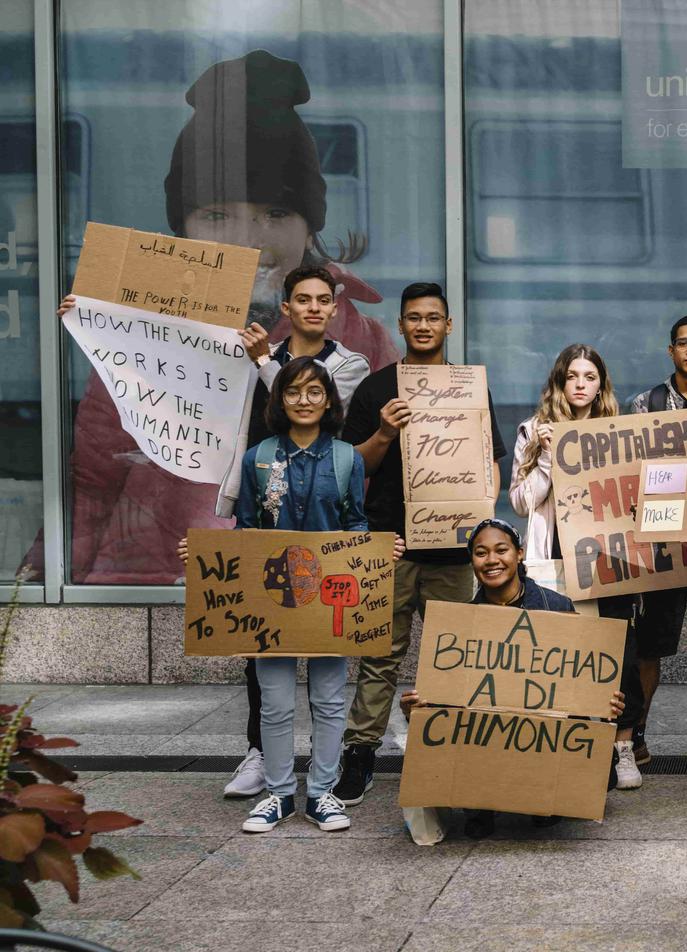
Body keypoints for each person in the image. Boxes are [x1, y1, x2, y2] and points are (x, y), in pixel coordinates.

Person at [38, 48, 397, 586]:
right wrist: (44, 574)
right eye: (216, 215)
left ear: (309, 226)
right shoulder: (142, 333)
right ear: (183, 227)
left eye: (276, 213)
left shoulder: (363, 341)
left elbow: (384, 475)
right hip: (154, 576)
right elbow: (93, 476)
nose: (247, 240)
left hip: (306, 582)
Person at [177, 357, 400, 833]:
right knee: (275, 702)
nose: (304, 400)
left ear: (328, 401)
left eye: (314, 392)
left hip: (329, 598)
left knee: (329, 699)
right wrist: (204, 554)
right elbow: (247, 528)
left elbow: (355, 523)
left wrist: (376, 552)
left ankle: (321, 793)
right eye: (293, 391)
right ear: (280, 399)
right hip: (270, 598)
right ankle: (278, 795)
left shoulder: (346, 458)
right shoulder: (258, 458)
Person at [332, 282, 506, 806]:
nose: (424, 325)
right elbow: (350, 468)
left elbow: (489, 462)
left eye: (433, 317)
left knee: (458, 658)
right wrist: (384, 432)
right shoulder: (376, 389)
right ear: (402, 325)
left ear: (448, 325)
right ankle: (360, 753)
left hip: (454, 551)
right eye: (414, 317)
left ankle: (456, 752)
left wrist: (483, 516)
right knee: (380, 656)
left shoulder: (469, 387)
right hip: (390, 545)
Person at [212, 264, 371, 800]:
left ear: (334, 306)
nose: (313, 307)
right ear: (287, 306)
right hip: (268, 503)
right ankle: (262, 756)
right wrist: (91, 317)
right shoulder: (257, 354)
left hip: (322, 523)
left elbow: (323, 410)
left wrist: (264, 365)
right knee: (264, 658)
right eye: (303, 299)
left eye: (323, 299)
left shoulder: (348, 363)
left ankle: (321, 782)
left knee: (328, 682)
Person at [398, 517, 627, 838]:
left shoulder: (556, 607)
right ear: (472, 561)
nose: (491, 560)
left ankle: (546, 797)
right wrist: (417, 709)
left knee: (590, 757)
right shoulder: (460, 622)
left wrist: (604, 700)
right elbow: (447, 695)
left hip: (541, 731)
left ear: (519, 553)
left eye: (501, 550)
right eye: (481, 553)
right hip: (487, 733)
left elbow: (578, 679)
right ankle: (478, 805)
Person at [508, 344, 649, 790]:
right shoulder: (533, 431)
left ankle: (622, 747)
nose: (581, 385)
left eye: (590, 377)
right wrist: (549, 457)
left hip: (609, 560)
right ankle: (569, 744)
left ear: (601, 384)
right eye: (572, 376)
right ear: (559, 382)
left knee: (619, 652)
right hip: (554, 561)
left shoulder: (617, 430)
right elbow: (521, 503)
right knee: (561, 654)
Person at [625, 315, 687, 766]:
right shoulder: (645, 403)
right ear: (671, 351)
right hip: (663, 545)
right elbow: (626, 469)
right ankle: (636, 734)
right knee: (649, 647)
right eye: (683, 343)